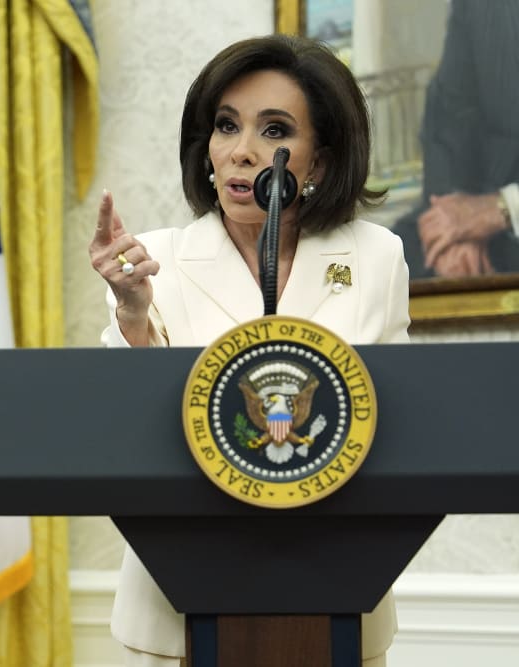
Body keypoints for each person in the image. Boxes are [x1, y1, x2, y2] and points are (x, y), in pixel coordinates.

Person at [88, 35, 409, 667]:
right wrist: (131, 313)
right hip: (182, 597)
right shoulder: (158, 263)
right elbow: (133, 427)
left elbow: (395, 412)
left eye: (273, 130)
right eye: (226, 126)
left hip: (336, 582)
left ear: (318, 160)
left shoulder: (375, 259)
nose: (240, 151)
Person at [391, 1, 519, 278]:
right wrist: (451, 229)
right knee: (379, 269)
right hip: (480, 204)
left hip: (506, 215)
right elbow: (449, 115)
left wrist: (506, 208)